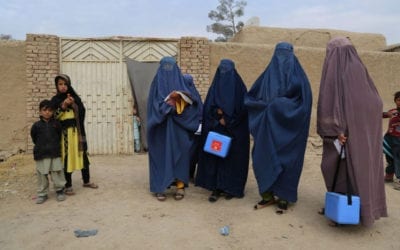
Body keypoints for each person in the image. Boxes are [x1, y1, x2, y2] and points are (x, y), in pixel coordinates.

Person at [317, 37, 387, 226]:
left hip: (343, 136)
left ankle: (347, 212)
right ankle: (361, 209)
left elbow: (334, 105)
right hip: (361, 135)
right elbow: (375, 103)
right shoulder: (361, 73)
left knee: (339, 171)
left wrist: (339, 128)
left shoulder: (340, 75)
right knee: (359, 170)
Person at [244, 42, 312, 213]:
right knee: (262, 159)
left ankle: (284, 197)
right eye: (279, 54)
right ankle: (267, 196)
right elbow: (250, 98)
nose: (282, 59)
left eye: (286, 54)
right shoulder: (266, 77)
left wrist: (277, 105)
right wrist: (264, 108)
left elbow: (304, 105)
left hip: (290, 131)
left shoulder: (300, 78)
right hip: (266, 129)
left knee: (288, 163)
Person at [147, 57, 202, 201]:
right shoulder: (155, 86)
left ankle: (180, 186)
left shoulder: (183, 85)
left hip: (180, 129)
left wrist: (180, 101)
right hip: (161, 130)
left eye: (171, 67)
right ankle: (160, 187)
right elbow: (153, 107)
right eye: (165, 68)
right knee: (161, 157)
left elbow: (193, 107)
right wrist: (167, 106)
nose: (168, 72)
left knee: (180, 157)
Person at [195, 59, 250, 202]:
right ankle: (216, 188)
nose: (225, 74)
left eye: (228, 71)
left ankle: (231, 188)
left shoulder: (240, 89)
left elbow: (244, 110)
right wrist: (218, 117)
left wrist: (230, 121)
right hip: (217, 131)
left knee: (234, 160)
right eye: (222, 70)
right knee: (216, 158)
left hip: (236, 132)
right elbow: (208, 109)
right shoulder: (214, 89)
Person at [51, 74, 98, 195]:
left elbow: (82, 112)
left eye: (65, 84)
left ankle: (86, 181)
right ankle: (68, 185)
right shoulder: (55, 100)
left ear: (69, 85)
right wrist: (63, 105)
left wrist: (73, 104)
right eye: (60, 84)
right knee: (67, 158)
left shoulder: (75, 98)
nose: (63, 87)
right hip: (65, 134)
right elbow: (53, 116)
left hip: (77, 132)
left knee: (83, 156)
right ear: (56, 86)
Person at [30, 99, 66, 204]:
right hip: (41, 154)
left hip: (55, 153)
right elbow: (34, 138)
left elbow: (60, 137)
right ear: (40, 111)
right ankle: (42, 194)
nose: (47, 112)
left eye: (50, 110)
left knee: (57, 172)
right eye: (44, 110)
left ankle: (59, 191)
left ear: (53, 111)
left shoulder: (57, 124)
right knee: (42, 175)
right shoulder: (36, 126)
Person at [182, 73, 203, 182]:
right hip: (194, 128)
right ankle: (189, 174)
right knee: (192, 153)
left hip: (191, 129)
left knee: (191, 153)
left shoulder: (188, 95)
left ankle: (188, 174)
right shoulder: (194, 94)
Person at [382, 91, 400, 188]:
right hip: (390, 138)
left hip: (399, 140)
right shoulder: (392, 111)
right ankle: (389, 176)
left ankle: (399, 179)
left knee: (398, 158)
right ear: (395, 101)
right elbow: (381, 115)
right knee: (390, 157)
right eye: (398, 100)